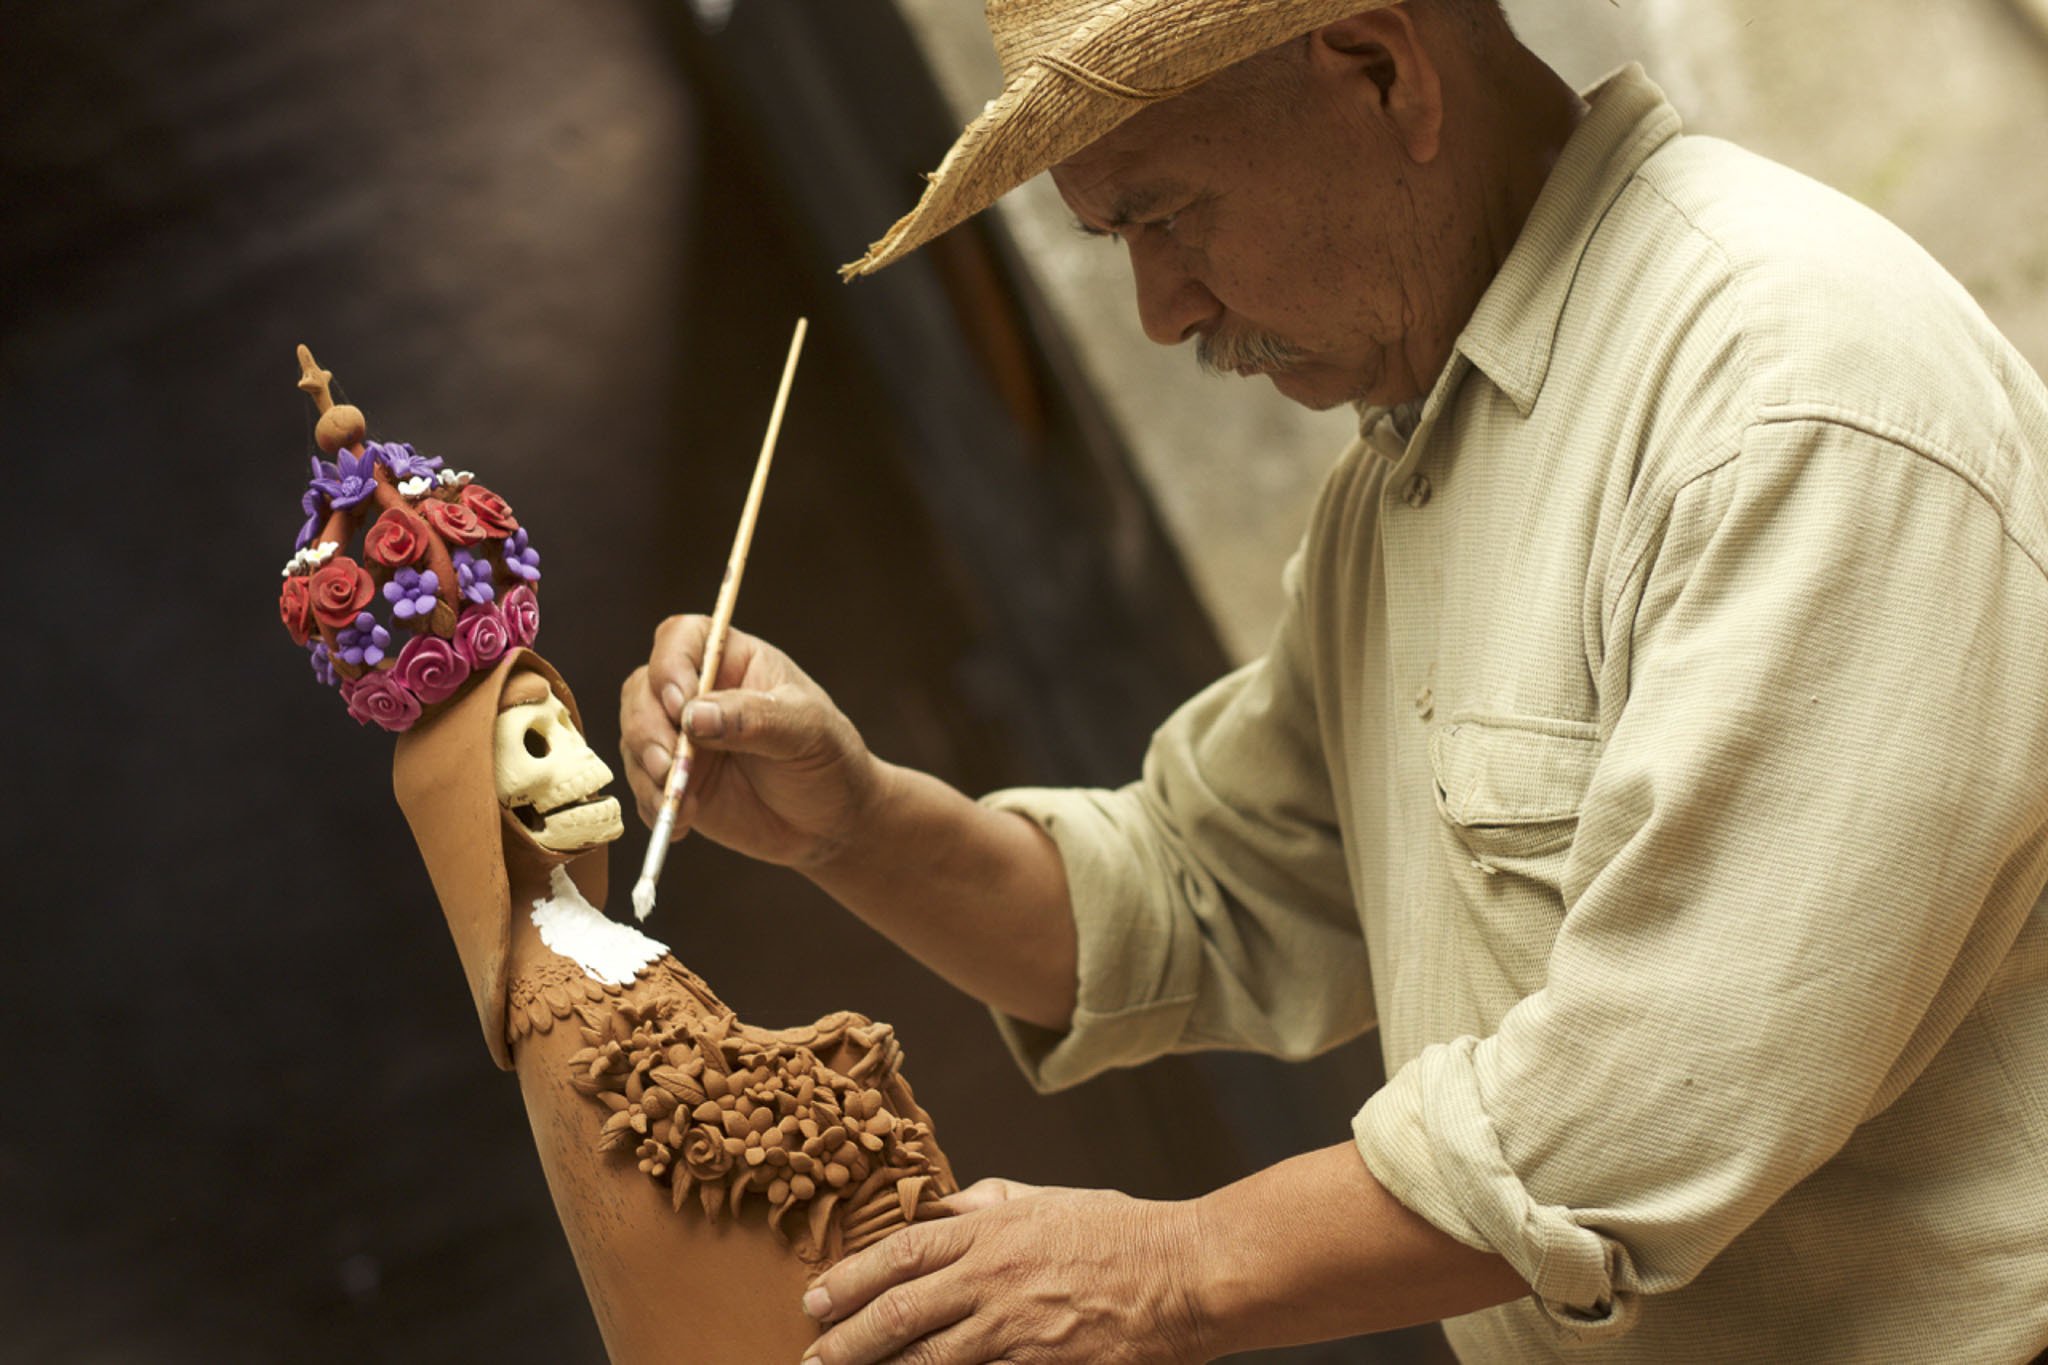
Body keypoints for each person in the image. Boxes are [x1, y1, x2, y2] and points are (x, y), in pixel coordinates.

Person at [620, 1, 2048, 1360]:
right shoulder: (1413, 478)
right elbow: (1201, 894)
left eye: (1160, 215)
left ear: (1381, 69)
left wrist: (1172, 1273)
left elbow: (1655, 1103)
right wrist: (852, 823)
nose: (1162, 311)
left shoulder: (1788, 399)